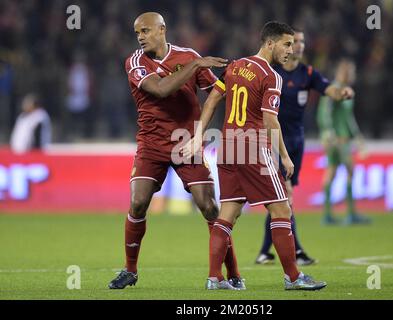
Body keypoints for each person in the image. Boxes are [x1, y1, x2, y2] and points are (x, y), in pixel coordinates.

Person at [183, 21, 326, 290]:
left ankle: (214, 278)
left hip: (227, 146)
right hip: (251, 146)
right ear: (269, 43)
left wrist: (200, 133)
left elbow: (212, 99)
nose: (291, 50)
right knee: (282, 208)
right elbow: (271, 121)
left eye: (293, 44)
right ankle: (294, 278)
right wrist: (284, 156)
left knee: (227, 214)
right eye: (286, 44)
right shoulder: (272, 77)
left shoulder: (235, 66)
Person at [108, 12, 243, 290]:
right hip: (151, 144)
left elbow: (215, 93)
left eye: (145, 31)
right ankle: (130, 269)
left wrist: (235, 79)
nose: (141, 37)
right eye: (137, 33)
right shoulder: (135, 62)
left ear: (162, 29)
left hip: (186, 144)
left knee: (209, 206)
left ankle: (231, 274)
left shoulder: (187, 55)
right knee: (137, 203)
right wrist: (194, 65)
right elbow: (159, 90)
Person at [256, 30, 356, 265]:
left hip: (297, 142)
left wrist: (340, 93)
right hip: (275, 141)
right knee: (286, 196)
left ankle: (264, 251)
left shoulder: (307, 73)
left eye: (301, 42)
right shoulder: (273, 72)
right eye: (294, 42)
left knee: (281, 199)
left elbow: (327, 88)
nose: (299, 46)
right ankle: (297, 252)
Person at [317, 59, 371, 225]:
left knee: (333, 171)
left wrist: (357, 136)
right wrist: (328, 133)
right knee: (348, 169)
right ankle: (350, 213)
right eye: (352, 71)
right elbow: (324, 112)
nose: (353, 75)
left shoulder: (345, 90)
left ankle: (329, 215)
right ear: (346, 72)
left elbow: (348, 117)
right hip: (338, 138)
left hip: (340, 136)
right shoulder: (335, 89)